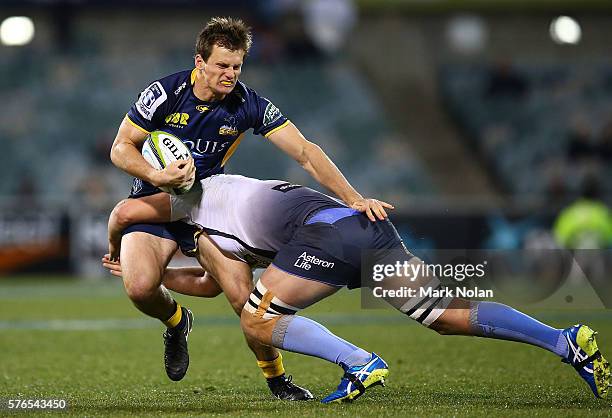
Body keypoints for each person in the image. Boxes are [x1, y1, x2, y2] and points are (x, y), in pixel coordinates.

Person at [105, 174, 611, 403]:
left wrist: (131, 265)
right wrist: (165, 276)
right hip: (362, 226)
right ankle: (564, 341)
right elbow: (211, 281)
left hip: (326, 238)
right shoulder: (225, 190)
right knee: (445, 315)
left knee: (257, 316)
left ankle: (359, 362)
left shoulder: (197, 220)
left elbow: (219, 286)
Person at [108, 16, 390, 399]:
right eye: (222, 65)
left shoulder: (248, 103)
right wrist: (157, 176)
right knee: (141, 287)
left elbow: (306, 152)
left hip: (204, 206)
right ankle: (176, 323)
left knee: (247, 302)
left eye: (237, 66)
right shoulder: (164, 93)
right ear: (200, 62)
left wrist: (353, 198)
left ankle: (278, 382)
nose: (230, 74)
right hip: (155, 200)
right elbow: (121, 147)